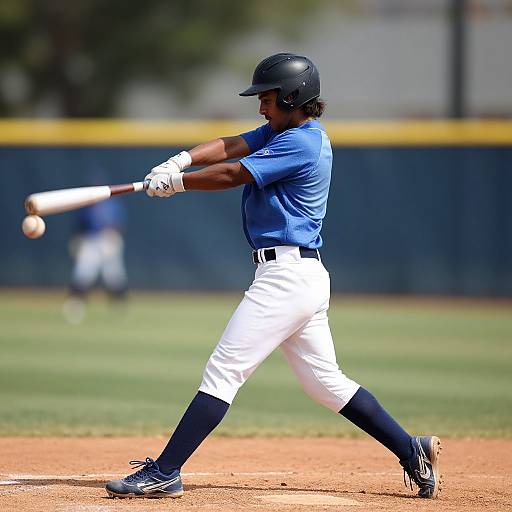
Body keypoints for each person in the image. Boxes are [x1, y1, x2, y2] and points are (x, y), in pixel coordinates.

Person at [105, 53, 442, 500]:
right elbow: (229, 146)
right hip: (298, 275)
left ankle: (166, 471)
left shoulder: (302, 141)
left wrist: (179, 184)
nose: (261, 107)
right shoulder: (283, 131)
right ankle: (410, 448)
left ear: (292, 97)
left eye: (266, 98)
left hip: (286, 277)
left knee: (224, 372)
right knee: (326, 384)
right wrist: (179, 160)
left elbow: (233, 172)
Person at [62, 189, 127, 324]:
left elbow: (119, 223)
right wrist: (77, 239)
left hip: (107, 240)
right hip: (90, 242)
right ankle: (75, 306)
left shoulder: (112, 204)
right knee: (83, 274)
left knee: (113, 276)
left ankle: (119, 308)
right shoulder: (87, 205)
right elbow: (79, 226)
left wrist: (114, 235)